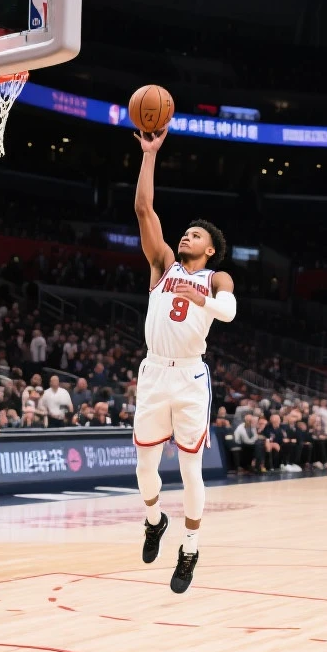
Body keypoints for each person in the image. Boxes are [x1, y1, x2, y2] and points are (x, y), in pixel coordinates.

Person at [132, 126, 236, 594]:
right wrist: (150, 154)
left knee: (190, 470)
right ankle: (155, 520)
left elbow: (228, 312)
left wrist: (199, 297)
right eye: (185, 232)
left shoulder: (217, 278)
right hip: (154, 371)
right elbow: (144, 209)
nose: (185, 236)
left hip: (191, 377)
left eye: (195, 235)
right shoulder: (162, 264)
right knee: (144, 469)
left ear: (209, 249)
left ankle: (190, 548)